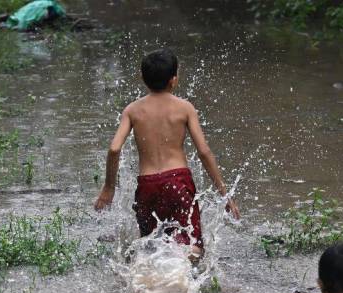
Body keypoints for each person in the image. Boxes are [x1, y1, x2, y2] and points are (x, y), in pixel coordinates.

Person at [93, 48, 240, 260]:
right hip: (178, 182)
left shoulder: (132, 110)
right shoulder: (185, 108)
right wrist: (225, 194)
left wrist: (108, 188)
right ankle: (181, 282)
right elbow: (204, 152)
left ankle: (149, 282)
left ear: (142, 78)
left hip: (147, 185)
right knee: (192, 247)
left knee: (151, 247)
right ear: (174, 80)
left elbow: (114, 148)